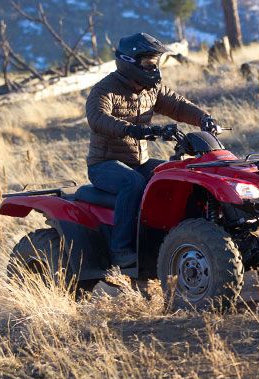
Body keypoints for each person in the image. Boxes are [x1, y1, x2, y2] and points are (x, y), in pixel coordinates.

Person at [85, 33, 221, 268]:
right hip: (104, 164)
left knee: (180, 174)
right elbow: (97, 118)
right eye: (148, 63)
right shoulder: (104, 90)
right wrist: (133, 130)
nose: (154, 68)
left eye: (156, 63)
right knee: (133, 183)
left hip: (140, 160)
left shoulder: (152, 89)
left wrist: (204, 118)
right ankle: (121, 250)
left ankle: (182, 238)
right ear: (130, 62)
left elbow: (177, 105)